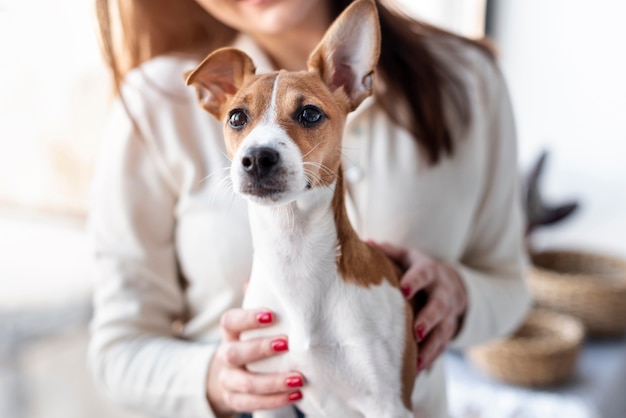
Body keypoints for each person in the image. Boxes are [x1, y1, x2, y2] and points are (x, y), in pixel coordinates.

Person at [88, 0, 532, 417]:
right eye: (239, 119)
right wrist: (216, 379)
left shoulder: (469, 79)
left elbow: (513, 290)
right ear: (213, 95)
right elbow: (115, 349)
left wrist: (458, 295)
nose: (259, 152)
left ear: (353, 79)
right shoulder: (154, 98)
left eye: (307, 117)